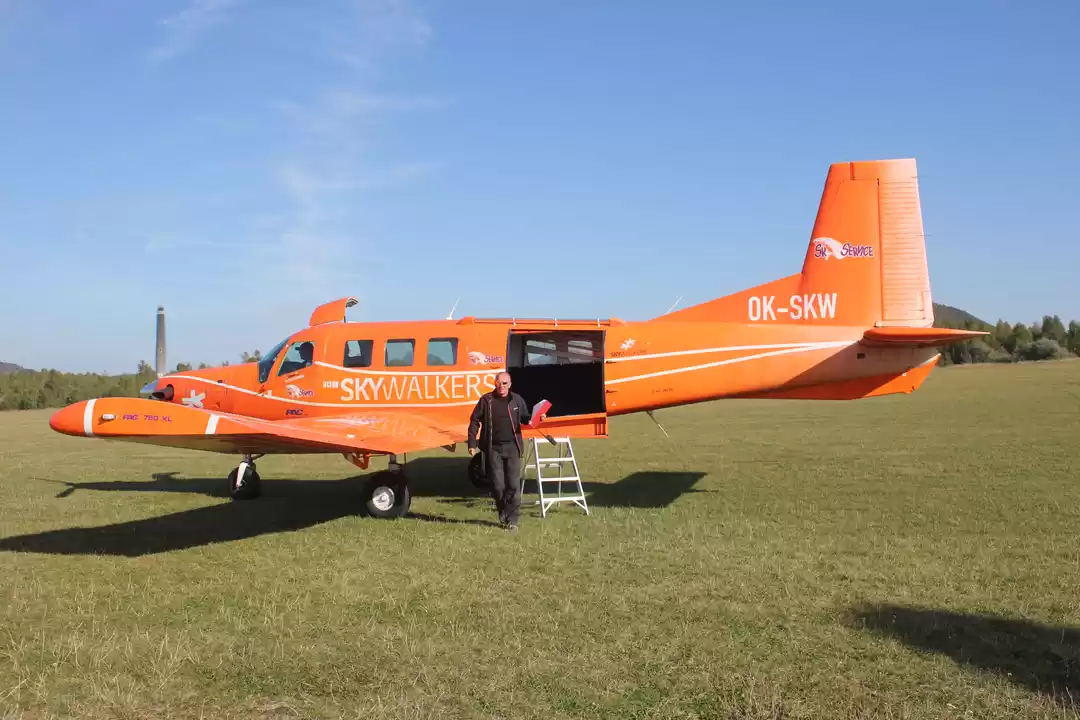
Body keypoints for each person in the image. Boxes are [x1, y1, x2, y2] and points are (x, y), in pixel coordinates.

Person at [467, 371, 543, 530]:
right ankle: (503, 511)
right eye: (499, 383)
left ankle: (512, 520)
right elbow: (474, 421)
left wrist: (537, 418)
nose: (501, 386)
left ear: (510, 384)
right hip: (493, 448)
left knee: (513, 485)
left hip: (512, 447)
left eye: (505, 383)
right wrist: (472, 443)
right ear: (494, 383)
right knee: (497, 485)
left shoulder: (516, 400)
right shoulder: (486, 400)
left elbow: (525, 417)